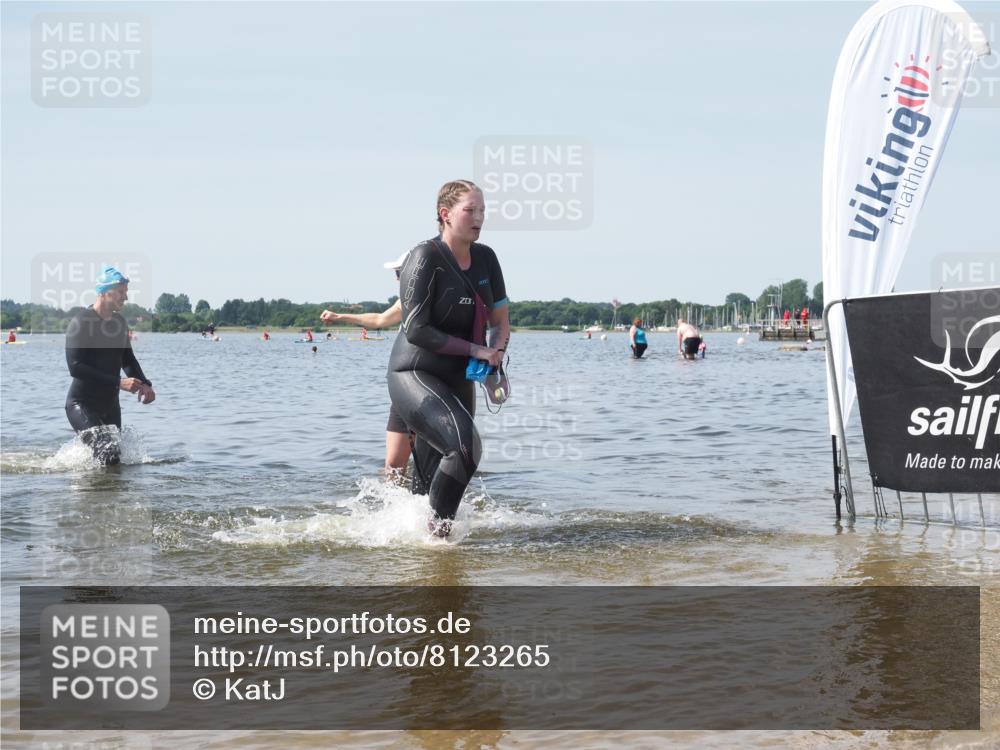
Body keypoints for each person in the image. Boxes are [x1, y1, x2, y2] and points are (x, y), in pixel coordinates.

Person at [387, 180, 508, 537]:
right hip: (414, 372)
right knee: (465, 449)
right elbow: (416, 330)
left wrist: (496, 355)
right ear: (445, 214)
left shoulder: (487, 258)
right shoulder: (425, 257)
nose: (479, 218)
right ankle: (438, 541)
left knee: (435, 472)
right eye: (470, 210)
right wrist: (476, 349)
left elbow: (500, 322)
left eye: (482, 211)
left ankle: (412, 542)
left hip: (458, 378)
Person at [321, 264, 409, 479]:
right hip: (404, 386)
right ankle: (396, 507)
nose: (397, 279)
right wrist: (340, 317)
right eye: (396, 274)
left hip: (432, 384)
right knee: (393, 469)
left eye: (399, 273)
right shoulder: (406, 299)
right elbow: (380, 319)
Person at [65, 265, 155, 465]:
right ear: (104, 292)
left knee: (115, 459)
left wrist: (145, 384)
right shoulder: (82, 322)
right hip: (82, 404)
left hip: (110, 404)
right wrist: (119, 382)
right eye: (121, 292)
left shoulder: (119, 322)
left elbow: (127, 359)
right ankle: (90, 494)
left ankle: (108, 495)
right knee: (109, 455)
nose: (126, 297)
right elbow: (75, 367)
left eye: (126, 292)